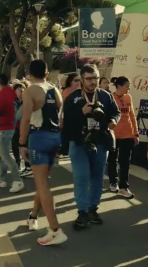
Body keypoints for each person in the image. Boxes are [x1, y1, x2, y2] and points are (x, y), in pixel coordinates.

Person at [62, 64, 120, 230]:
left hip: (100, 141)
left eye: (95, 77)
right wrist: (81, 112)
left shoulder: (106, 96)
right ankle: (82, 211)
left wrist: (114, 121)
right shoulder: (72, 98)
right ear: (82, 80)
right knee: (81, 176)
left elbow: (116, 112)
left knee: (97, 177)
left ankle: (93, 208)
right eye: (89, 78)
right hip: (79, 142)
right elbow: (66, 122)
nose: (93, 81)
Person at [18, 60, 67, 246]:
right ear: (46, 73)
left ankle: (55, 230)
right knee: (43, 182)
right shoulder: (54, 89)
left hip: (38, 138)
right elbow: (60, 115)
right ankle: (33, 216)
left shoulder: (30, 90)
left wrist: (21, 143)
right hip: (55, 137)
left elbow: (26, 118)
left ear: (30, 74)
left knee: (42, 185)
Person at [0, 73, 25, 193]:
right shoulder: (8, 92)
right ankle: (2, 179)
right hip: (3, 127)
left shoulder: (3, 94)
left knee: (5, 156)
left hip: (3, 128)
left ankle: (17, 180)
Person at [107, 76, 138, 198]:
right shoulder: (110, 97)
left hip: (127, 134)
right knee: (112, 160)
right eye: (127, 85)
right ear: (119, 86)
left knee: (125, 161)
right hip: (114, 134)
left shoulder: (128, 97)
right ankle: (113, 182)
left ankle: (124, 186)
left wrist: (135, 133)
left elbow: (132, 116)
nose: (129, 88)